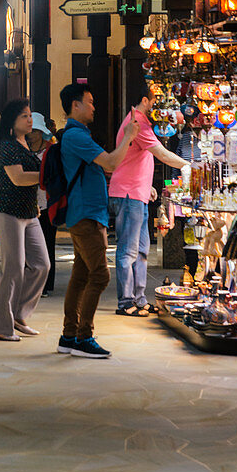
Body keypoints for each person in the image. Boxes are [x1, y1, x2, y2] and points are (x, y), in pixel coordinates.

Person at [57, 82, 139, 359]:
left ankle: (69, 336)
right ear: (75, 105)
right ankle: (83, 337)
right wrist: (128, 135)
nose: (94, 107)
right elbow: (112, 163)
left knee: (81, 276)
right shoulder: (76, 136)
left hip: (88, 213)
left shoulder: (79, 134)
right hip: (86, 214)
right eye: (90, 102)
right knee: (100, 275)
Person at [109, 83, 189, 316]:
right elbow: (161, 154)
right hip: (128, 194)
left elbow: (136, 159)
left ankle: (139, 298)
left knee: (142, 249)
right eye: (156, 100)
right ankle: (126, 302)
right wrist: (189, 165)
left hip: (137, 192)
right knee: (128, 250)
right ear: (145, 100)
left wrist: (149, 186)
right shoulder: (137, 122)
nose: (158, 106)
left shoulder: (137, 121)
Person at [0, 100, 51, 341]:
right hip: (8, 212)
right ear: (12, 122)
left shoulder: (25, 144)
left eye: (30, 116)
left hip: (29, 212)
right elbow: (17, 178)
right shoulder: (6, 146)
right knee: (13, 269)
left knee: (41, 265)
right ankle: (2, 327)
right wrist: (48, 176)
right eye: (24, 116)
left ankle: (19, 315)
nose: (29, 120)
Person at [33, 112, 58, 295]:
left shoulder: (51, 150)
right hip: (27, 204)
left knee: (47, 244)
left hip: (47, 204)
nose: (30, 134)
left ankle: (46, 284)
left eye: (34, 130)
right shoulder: (23, 148)